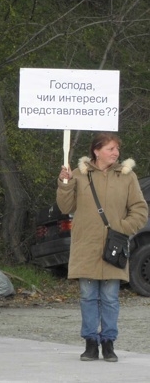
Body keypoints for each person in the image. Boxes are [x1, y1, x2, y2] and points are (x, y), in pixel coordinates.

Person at [57, 132, 148, 362]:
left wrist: (123, 227)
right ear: (96, 151)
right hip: (86, 246)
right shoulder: (79, 175)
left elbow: (140, 209)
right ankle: (90, 344)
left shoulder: (127, 177)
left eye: (117, 149)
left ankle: (108, 343)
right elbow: (65, 205)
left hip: (113, 248)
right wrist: (64, 183)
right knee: (88, 297)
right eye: (111, 149)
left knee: (110, 298)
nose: (116, 153)